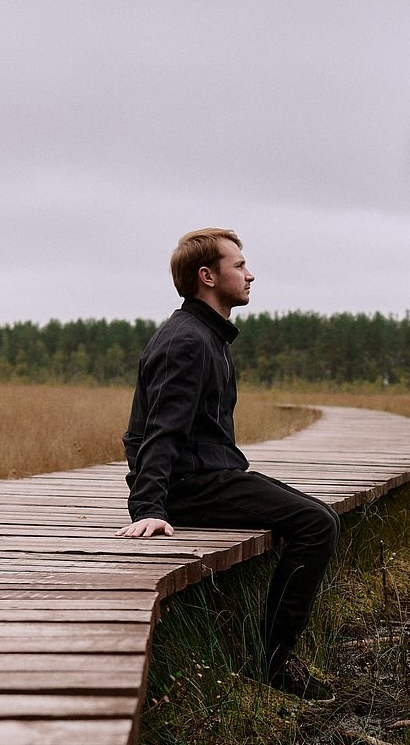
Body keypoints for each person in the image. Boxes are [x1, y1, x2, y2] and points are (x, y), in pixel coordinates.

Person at [117, 228, 339, 701]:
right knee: (316, 524)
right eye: (239, 265)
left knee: (323, 517)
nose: (250, 273)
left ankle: (273, 657)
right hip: (190, 486)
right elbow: (160, 431)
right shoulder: (188, 342)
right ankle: (274, 664)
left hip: (211, 476)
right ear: (207, 276)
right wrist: (150, 508)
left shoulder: (206, 336)